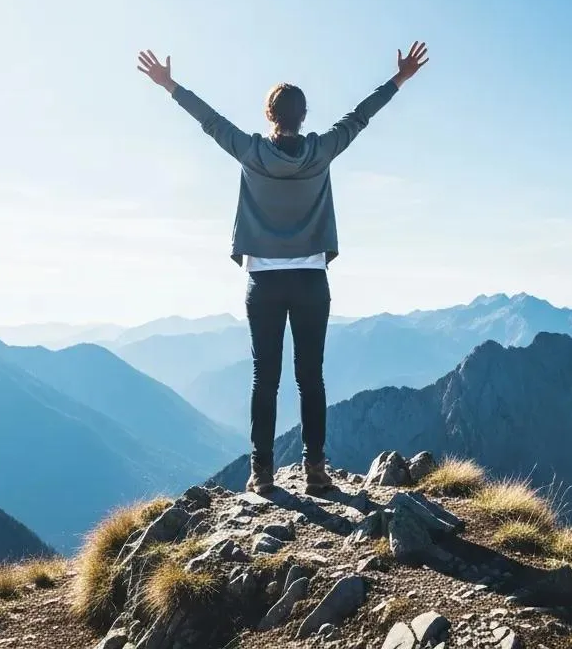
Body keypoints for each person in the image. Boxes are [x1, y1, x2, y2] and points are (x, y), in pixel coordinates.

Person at [137, 41, 429, 494]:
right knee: (311, 378)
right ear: (303, 116)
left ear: (269, 115)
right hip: (311, 280)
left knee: (265, 379)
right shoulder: (321, 151)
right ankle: (315, 470)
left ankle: (262, 473)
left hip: (263, 281)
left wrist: (169, 85)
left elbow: (210, 120)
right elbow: (359, 117)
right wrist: (400, 79)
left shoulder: (251, 152)